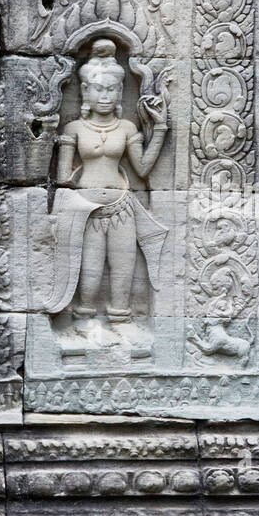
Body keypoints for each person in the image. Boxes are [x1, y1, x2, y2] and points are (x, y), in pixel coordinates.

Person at [42, 39, 169, 347]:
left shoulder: (126, 128)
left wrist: (161, 128)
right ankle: (85, 320)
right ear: (85, 91)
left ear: (119, 93)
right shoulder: (73, 129)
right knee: (90, 269)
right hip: (86, 210)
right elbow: (62, 179)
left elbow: (142, 168)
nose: (104, 96)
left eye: (111, 90)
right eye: (98, 89)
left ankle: (121, 320)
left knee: (123, 268)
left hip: (122, 207)